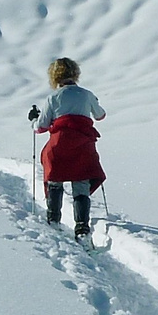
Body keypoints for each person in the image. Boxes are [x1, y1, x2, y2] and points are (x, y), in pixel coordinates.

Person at [29, 56, 107, 241]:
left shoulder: (53, 97)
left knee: (55, 180)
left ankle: (53, 220)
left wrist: (33, 118)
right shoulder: (87, 94)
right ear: (75, 73)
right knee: (81, 184)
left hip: (59, 145)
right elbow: (100, 115)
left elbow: (40, 127)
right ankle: (82, 228)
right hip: (82, 145)